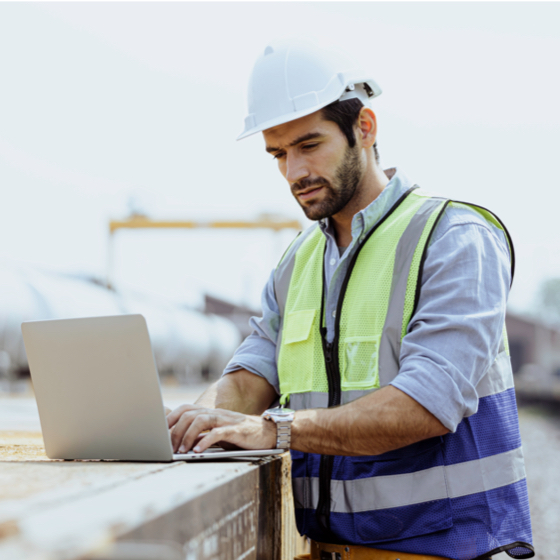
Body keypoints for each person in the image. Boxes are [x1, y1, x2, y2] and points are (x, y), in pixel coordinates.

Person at [167, 40, 534, 560]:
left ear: (365, 127)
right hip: (330, 551)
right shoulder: (297, 262)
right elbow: (252, 376)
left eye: (309, 145)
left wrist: (272, 428)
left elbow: (428, 403)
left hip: (451, 551)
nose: (294, 173)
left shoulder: (453, 237)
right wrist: (192, 424)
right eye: (278, 153)